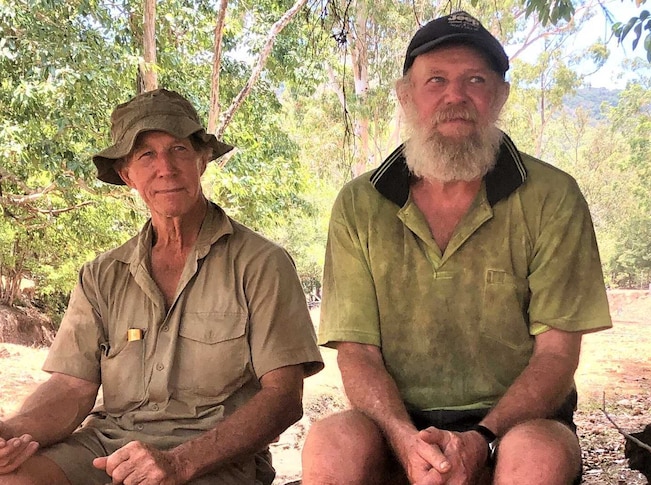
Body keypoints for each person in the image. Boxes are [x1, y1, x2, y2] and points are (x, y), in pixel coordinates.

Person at [302, 10, 612, 485]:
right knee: (331, 442)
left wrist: (483, 439)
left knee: (536, 455)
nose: (455, 96)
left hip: (517, 426)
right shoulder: (360, 204)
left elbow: (556, 354)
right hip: (396, 426)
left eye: (475, 80)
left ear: (500, 96)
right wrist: (404, 440)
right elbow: (358, 353)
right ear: (407, 96)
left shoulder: (552, 196)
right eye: (436, 80)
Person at [0, 88, 323, 485]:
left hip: (211, 457)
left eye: (179, 150)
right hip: (107, 448)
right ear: (127, 174)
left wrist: (180, 463)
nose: (165, 168)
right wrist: (9, 434)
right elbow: (71, 386)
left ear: (202, 160)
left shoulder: (261, 264)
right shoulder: (102, 275)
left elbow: (283, 399)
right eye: (146, 155)